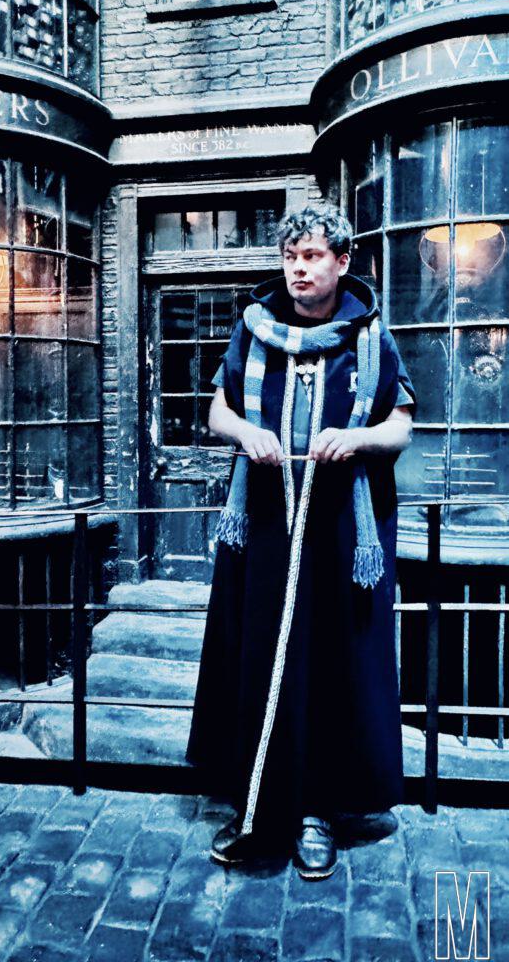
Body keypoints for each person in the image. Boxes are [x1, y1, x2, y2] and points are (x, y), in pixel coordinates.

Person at [185, 202, 416, 880]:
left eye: (312, 256)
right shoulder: (254, 329)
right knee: (259, 658)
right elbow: (217, 409)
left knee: (329, 665)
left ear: (342, 262)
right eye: (290, 257)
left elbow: (401, 425)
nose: (298, 269)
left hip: (343, 529)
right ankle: (257, 806)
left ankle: (316, 812)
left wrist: (357, 438)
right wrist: (245, 433)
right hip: (263, 523)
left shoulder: (370, 337)